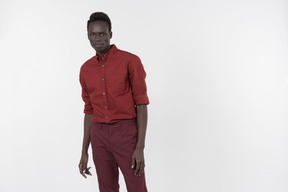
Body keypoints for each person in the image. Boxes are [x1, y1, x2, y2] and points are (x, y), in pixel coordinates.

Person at [78, 12, 149, 192]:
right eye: (93, 34)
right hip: (99, 136)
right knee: (106, 188)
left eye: (102, 33)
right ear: (88, 36)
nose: (97, 38)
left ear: (110, 34)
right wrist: (84, 151)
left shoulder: (130, 61)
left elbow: (141, 104)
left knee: (137, 187)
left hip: (126, 133)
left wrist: (140, 147)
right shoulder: (86, 69)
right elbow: (89, 111)